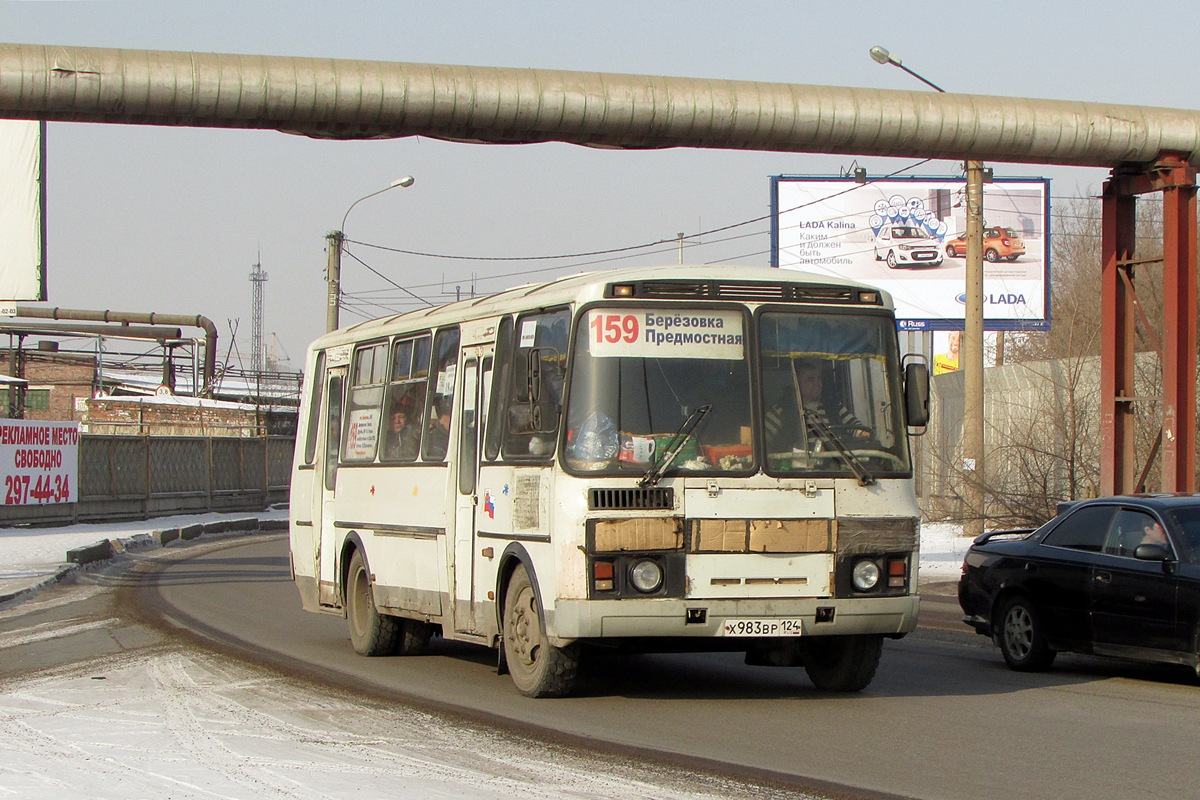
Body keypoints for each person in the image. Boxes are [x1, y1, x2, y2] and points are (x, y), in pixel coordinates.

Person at [794, 359, 871, 442]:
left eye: (819, 378)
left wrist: (863, 434)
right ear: (797, 383)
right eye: (810, 379)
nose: (817, 383)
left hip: (836, 454)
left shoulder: (833, 406)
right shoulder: (785, 409)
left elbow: (854, 426)